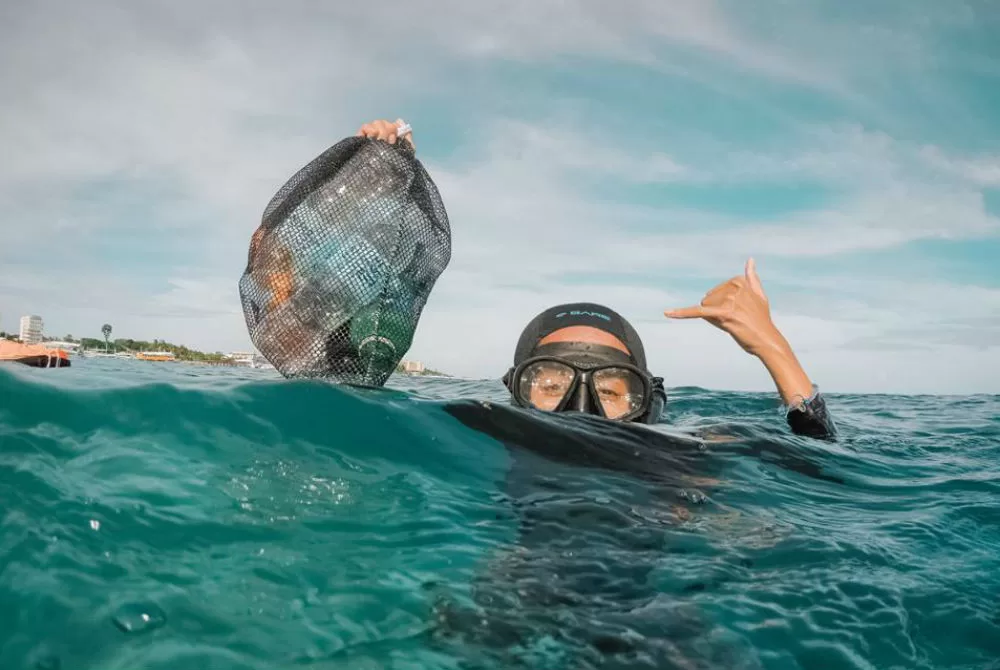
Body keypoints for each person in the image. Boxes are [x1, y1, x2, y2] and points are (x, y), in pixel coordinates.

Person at [356, 119, 835, 440]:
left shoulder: (684, 454)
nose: (579, 410)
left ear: (647, 403)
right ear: (514, 391)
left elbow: (818, 468)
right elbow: (352, 408)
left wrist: (773, 347)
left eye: (610, 391)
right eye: (548, 382)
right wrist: (394, 187)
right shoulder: (480, 435)